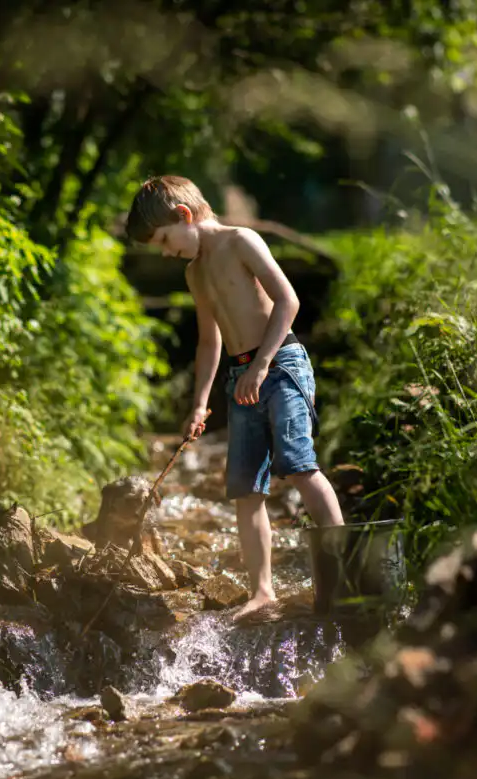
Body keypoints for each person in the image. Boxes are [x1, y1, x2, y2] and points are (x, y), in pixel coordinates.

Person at [124, 175, 345, 620]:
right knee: (246, 490)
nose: (166, 253)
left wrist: (262, 365)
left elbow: (289, 301)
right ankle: (263, 593)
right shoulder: (195, 272)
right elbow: (210, 343)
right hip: (241, 376)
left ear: (184, 216)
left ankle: (343, 574)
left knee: (299, 466)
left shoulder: (242, 241)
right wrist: (200, 403)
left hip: (280, 363)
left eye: (166, 240)